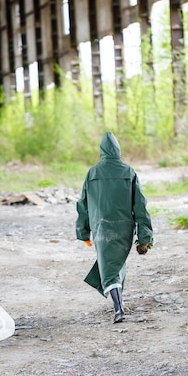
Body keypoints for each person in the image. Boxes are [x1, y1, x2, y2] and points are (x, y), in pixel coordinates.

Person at [76, 132, 154, 324]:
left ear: (101, 151)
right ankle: (119, 302)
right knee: (114, 265)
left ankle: (119, 309)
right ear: (118, 150)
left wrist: (83, 232)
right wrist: (145, 236)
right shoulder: (128, 171)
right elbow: (140, 205)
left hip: (101, 228)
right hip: (124, 229)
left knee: (109, 267)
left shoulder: (92, 173)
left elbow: (83, 205)